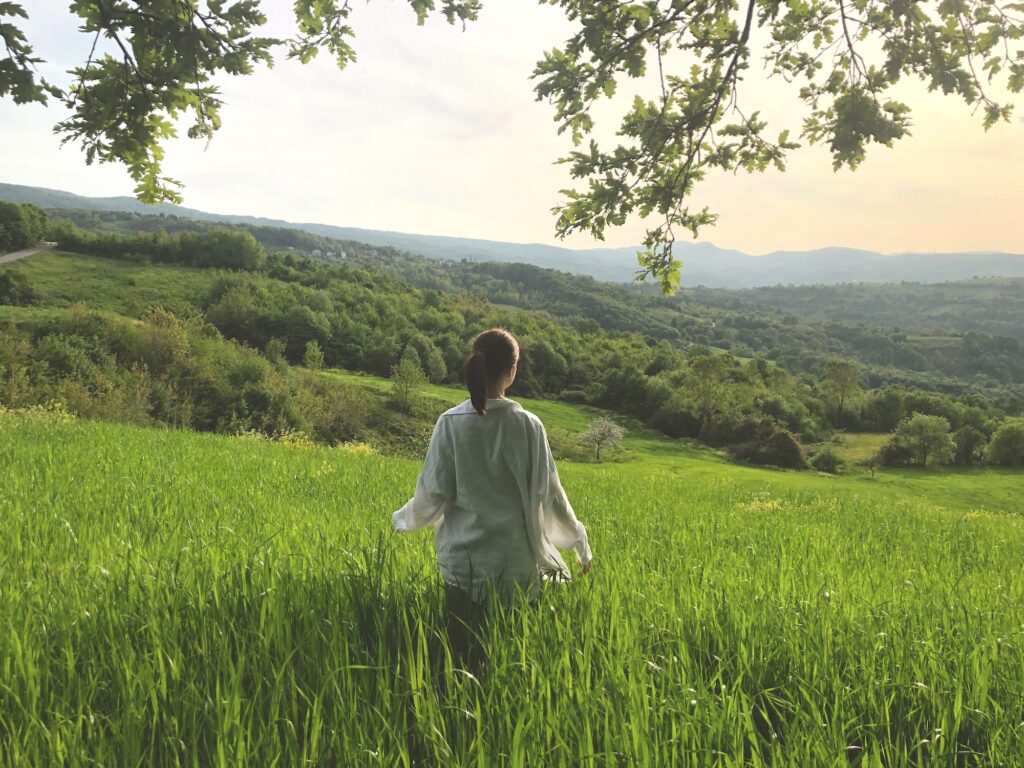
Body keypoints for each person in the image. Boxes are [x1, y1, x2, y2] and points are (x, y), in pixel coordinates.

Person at [391, 328, 593, 668]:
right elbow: (550, 496)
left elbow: (433, 493)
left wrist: (402, 520)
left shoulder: (450, 423)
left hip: (464, 564)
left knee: (458, 656)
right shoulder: (529, 426)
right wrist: (578, 542)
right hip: (517, 565)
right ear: (511, 371)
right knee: (512, 657)